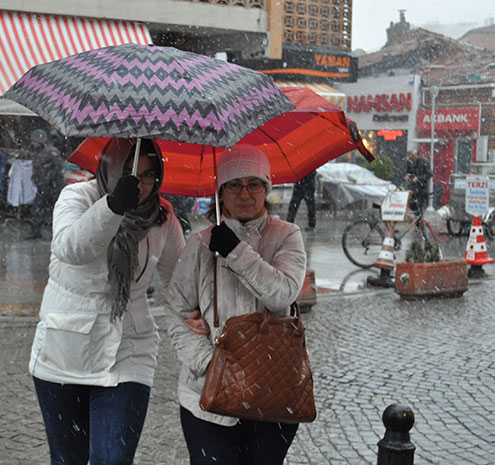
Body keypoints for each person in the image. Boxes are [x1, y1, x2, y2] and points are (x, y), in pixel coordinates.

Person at [29, 138, 186, 465]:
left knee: (113, 460)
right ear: (110, 166)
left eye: (148, 175)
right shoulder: (77, 196)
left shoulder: (163, 217)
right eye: (130, 172)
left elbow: (180, 285)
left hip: (129, 351)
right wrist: (112, 206)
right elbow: (71, 248)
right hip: (65, 348)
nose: (139, 184)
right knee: (67, 459)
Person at [164, 145, 307, 465]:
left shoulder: (287, 236)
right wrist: (209, 361)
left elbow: (282, 294)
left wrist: (235, 251)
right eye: (234, 184)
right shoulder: (200, 244)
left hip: (274, 394)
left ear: (266, 189)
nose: (245, 193)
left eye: (254, 183)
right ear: (221, 192)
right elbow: (175, 311)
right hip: (207, 399)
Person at [27, 129, 65, 239]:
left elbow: (58, 167)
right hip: (43, 186)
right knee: (37, 209)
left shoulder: (51, 151)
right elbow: (37, 169)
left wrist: (48, 178)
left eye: (36, 142)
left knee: (55, 210)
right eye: (33, 141)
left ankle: (58, 233)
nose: (34, 144)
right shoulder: (38, 152)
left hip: (54, 186)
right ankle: (35, 232)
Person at [404, 150, 431, 215]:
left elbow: (429, 174)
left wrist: (419, 178)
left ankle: (420, 220)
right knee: (412, 204)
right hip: (413, 187)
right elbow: (409, 171)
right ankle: (416, 216)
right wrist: (407, 175)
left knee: (420, 206)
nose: (411, 159)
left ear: (417, 155)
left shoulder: (424, 162)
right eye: (410, 157)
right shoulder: (410, 162)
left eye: (413, 157)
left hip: (422, 187)